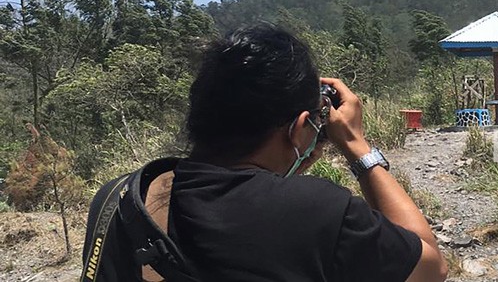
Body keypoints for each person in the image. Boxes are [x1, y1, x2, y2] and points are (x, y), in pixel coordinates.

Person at [83, 24, 448, 282]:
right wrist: (355, 145)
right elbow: (429, 267)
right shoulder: (319, 212)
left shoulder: (120, 197)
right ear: (299, 125)